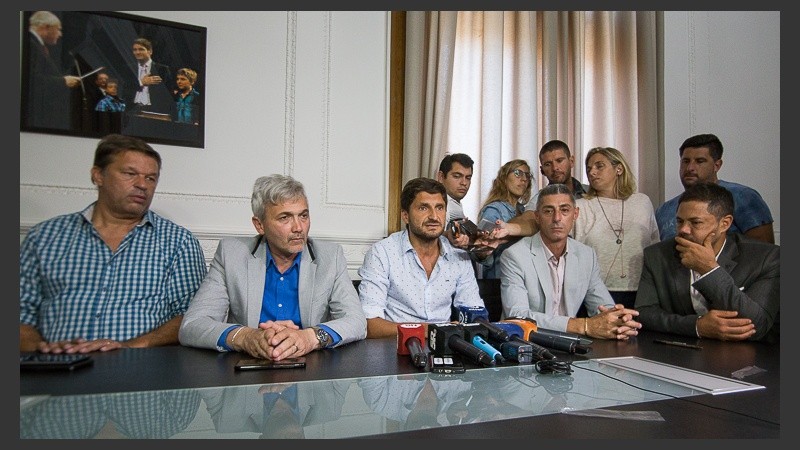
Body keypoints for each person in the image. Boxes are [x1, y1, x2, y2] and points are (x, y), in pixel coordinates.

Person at [19, 134, 208, 353]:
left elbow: (192, 318)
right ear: (98, 175)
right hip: (55, 367)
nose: (142, 185)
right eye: (130, 174)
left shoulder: (178, 242)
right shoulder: (44, 237)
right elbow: (21, 313)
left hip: (142, 368)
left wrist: (127, 347)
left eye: (151, 178)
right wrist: (44, 351)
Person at [179, 174, 367, 360]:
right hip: (248, 369)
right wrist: (246, 337)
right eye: (285, 218)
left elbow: (357, 322)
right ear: (259, 225)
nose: (298, 227)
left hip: (310, 367)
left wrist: (309, 337)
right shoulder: (231, 255)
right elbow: (193, 325)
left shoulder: (330, 257)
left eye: (303, 215)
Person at [636, 182, 779, 343]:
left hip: (750, 357)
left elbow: (757, 325)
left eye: (695, 222)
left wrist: (709, 270)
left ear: (725, 223)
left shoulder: (766, 258)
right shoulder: (657, 254)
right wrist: (697, 326)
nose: (683, 230)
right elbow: (643, 313)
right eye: (679, 221)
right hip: (681, 354)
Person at [497, 183, 642, 339]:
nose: (557, 218)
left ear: (575, 214)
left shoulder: (587, 255)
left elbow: (602, 307)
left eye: (564, 210)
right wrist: (583, 326)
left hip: (570, 344)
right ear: (537, 217)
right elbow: (518, 317)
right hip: (526, 343)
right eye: (548, 211)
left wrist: (618, 320)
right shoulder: (514, 256)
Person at [357, 177, 486, 338]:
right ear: (405, 215)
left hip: (445, 347)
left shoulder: (458, 255)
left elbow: (475, 313)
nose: (434, 216)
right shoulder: (383, 253)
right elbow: (370, 325)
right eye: (424, 208)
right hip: (395, 348)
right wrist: (432, 330)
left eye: (439, 208)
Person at [573, 147, 660, 309]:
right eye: (589, 168)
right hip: (595, 292)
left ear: (618, 169)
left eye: (599, 166)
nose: (592, 172)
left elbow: (654, 245)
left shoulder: (642, 202)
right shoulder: (581, 206)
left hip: (642, 291)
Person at [655, 133, 774, 244]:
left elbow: (764, 252)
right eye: (685, 161)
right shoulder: (664, 210)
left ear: (717, 165)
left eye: (700, 161)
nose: (690, 168)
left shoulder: (743, 197)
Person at [499, 140, 589, 238]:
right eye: (548, 164)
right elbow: (528, 219)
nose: (555, 168)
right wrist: (507, 228)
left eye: (559, 161)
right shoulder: (539, 199)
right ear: (542, 170)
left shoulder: (589, 192)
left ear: (571, 161)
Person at [475, 159, 533, 279]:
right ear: (504, 178)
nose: (523, 179)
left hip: (522, 277)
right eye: (518, 173)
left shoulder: (524, 210)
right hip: (499, 280)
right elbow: (481, 252)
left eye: (527, 175)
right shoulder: (494, 210)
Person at [25, 11, 81, 130]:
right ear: (46, 27)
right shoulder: (29, 44)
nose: (60, 34)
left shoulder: (37, 46)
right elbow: (30, 81)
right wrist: (63, 82)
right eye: (59, 29)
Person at [127, 37, 176, 118]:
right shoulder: (129, 68)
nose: (137, 52)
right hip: (132, 112)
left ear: (150, 51)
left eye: (141, 49)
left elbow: (169, 95)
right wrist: (141, 83)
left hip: (154, 113)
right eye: (135, 50)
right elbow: (125, 90)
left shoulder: (162, 69)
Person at [436, 153, 475, 249]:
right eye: (457, 176)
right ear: (441, 177)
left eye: (468, 178)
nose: (464, 183)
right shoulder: (438, 204)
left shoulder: (454, 203)